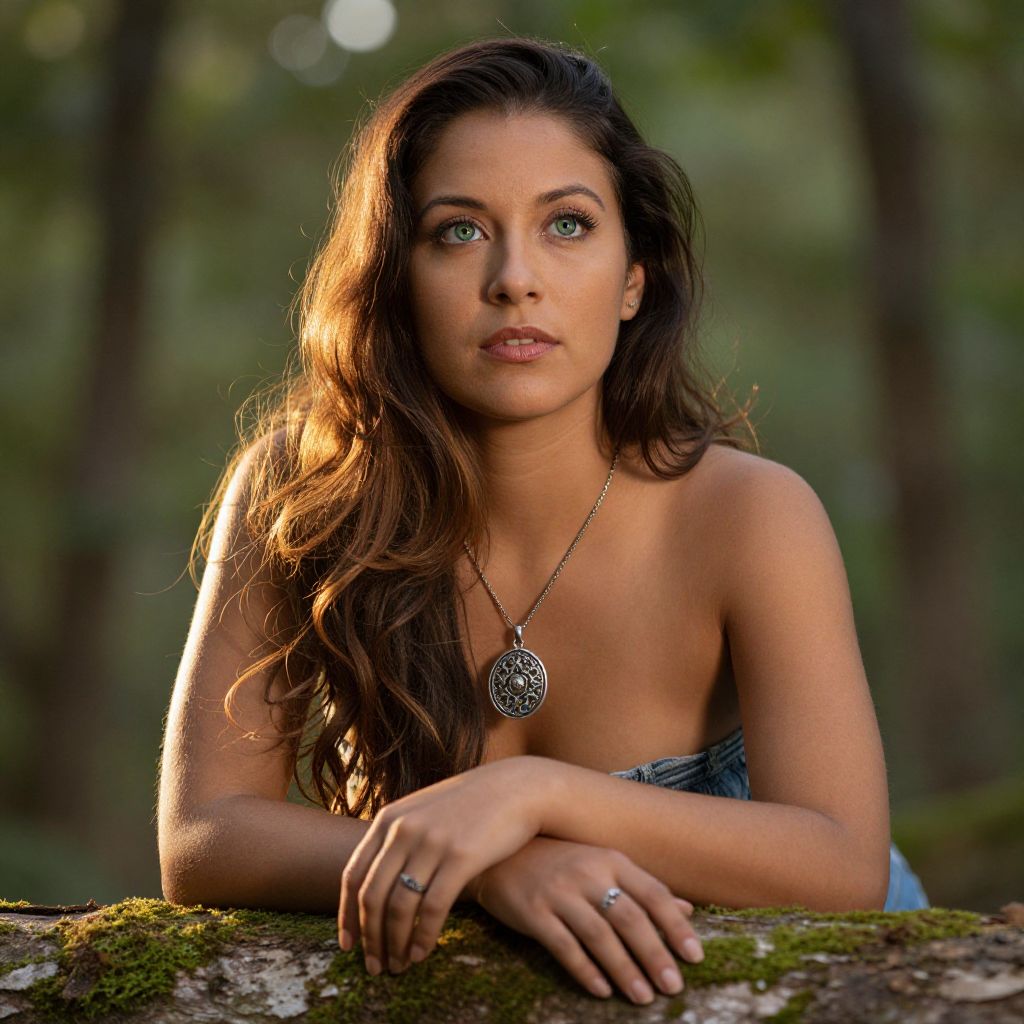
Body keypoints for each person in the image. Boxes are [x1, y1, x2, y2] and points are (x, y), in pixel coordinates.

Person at [156, 36, 929, 1007]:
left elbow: (842, 865)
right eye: (458, 231)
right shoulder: (303, 491)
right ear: (396, 276)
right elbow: (203, 837)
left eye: (566, 225)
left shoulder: (748, 512)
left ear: (633, 277)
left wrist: (529, 798)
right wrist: (489, 869)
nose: (514, 278)